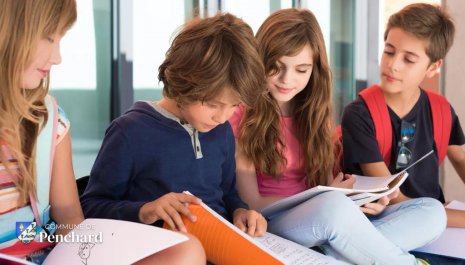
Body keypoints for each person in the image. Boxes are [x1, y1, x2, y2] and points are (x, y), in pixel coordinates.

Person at [230, 8, 445, 264]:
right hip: (272, 221)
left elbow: (321, 185)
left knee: (432, 212)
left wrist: (360, 201)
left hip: (323, 218)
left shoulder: (313, 114)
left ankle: (334, 253)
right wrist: (330, 198)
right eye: (276, 67)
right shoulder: (241, 114)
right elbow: (250, 201)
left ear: (314, 70)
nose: (287, 80)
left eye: (301, 70)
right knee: (334, 209)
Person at [0, 1, 204, 264]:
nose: (57, 57)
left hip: (40, 251)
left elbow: (68, 218)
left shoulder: (51, 120)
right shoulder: (130, 130)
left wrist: (84, 255)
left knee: (186, 250)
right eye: (49, 38)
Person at [80, 13, 267, 263]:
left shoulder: (221, 131)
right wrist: (146, 210)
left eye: (234, 105)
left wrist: (242, 211)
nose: (223, 117)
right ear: (183, 81)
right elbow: (91, 207)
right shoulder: (130, 131)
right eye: (213, 104)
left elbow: (227, 193)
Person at [341, 3, 465, 228]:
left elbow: (460, 159)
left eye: (408, 59)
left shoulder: (441, 110)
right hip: (385, 223)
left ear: (433, 67)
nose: (393, 65)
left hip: (436, 226)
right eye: (389, 51)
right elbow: (393, 197)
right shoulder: (359, 114)